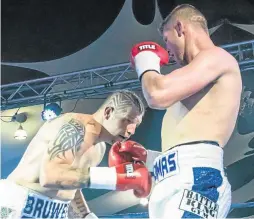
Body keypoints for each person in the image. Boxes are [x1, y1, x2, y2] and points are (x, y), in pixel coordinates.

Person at [130, 4, 243, 219]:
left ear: (180, 28)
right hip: (171, 185)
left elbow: (156, 94)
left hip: (198, 179)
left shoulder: (217, 57)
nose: (168, 52)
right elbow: (181, 148)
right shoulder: (188, 79)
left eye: (166, 38)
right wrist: (146, 158)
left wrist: (145, 61)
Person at [0, 90, 152, 219]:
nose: (131, 131)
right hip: (18, 205)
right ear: (108, 112)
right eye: (128, 121)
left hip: (55, 212)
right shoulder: (76, 126)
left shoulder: (99, 149)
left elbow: (70, 182)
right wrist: (114, 177)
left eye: (136, 125)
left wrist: (86, 215)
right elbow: (51, 177)